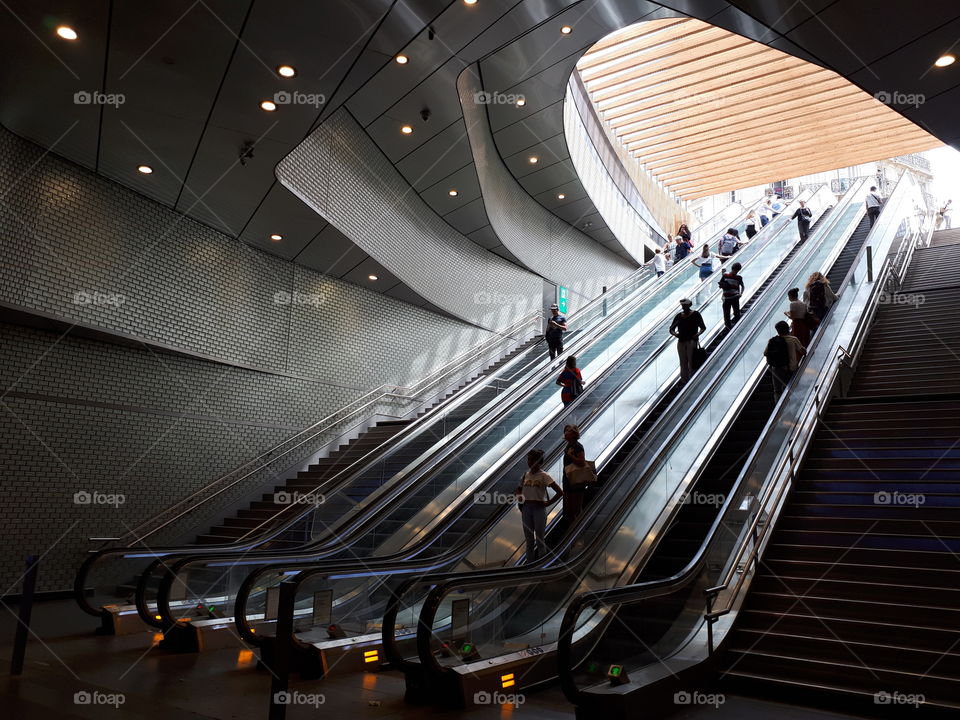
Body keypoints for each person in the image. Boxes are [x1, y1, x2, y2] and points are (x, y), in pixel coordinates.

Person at [515, 449, 563, 563]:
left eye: (532, 460)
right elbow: (518, 489)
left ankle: (540, 564)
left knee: (540, 539)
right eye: (529, 460)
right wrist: (519, 496)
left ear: (539, 462)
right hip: (526, 508)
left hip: (539, 509)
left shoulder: (544, 476)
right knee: (529, 539)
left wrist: (547, 503)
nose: (529, 463)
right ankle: (529, 564)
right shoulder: (525, 475)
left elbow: (560, 492)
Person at [764, 321, 806, 400]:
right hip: (790, 368)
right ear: (787, 329)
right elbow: (802, 351)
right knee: (791, 388)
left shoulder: (772, 340)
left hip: (776, 369)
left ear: (777, 330)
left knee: (777, 391)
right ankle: (791, 407)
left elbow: (765, 353)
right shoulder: (793, 339)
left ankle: (779, 409)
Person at [669, 298, 705, 383]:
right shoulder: (679, 316)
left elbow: (703, 327)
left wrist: (697, 334)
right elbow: (671, 329)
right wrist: (675, 334)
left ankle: (692, 379)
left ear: (689, 305)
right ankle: (684, 380)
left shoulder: (695, 314)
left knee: (691, 360)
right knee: (683, 361)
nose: (683, 307)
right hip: (681, 341)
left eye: (685, 305)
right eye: (682, 305)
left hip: (691, 341)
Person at [561, 424, 587, 525]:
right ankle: (573, 530)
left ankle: (578, 530)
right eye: (565, 431)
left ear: (574, 433)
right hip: (568, 479)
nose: (565, 433)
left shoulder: (577, 446)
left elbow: (581, 462)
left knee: (576, 509)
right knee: (569, 509)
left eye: (568, 431)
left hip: (576, 480)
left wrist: (571, 456)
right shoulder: (568, 446)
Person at [719, 262, 745, 328]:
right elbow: (721, 284)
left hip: (734, 297)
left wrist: (740, 293)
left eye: (738, 271)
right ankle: (728, 327)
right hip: (726, 298)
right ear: (733, 269)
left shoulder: (739, 277)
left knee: (736, 312)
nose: (736, 272)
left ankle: (737, 326)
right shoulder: (725, 275)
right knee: (726, 314)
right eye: (736, 270)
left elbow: (742, 286)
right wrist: (722, 285)